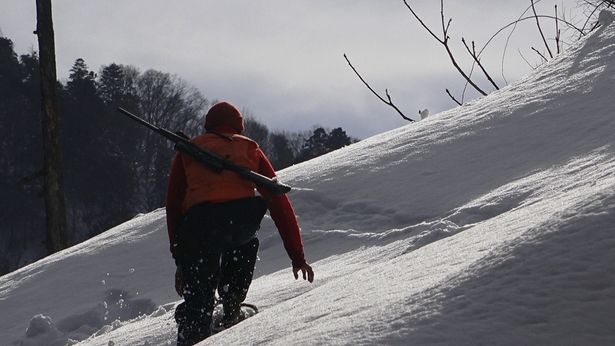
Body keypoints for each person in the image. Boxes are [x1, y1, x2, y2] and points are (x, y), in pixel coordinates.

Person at [165, 101, 314, 345]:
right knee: (243, 243)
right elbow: (279, 202)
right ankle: (232, 308)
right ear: (239, 127)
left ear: (207, 127)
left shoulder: (189, 151)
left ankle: (195, 326)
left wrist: (181, 260)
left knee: (198, 301)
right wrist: (297, 256)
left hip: (200, 228)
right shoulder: (249, 149)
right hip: (241, 225)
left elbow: (174, 207)